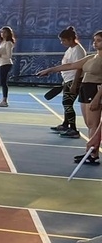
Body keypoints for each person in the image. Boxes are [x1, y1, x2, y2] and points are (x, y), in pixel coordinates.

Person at [37, 29, 102, 165]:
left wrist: (97, 97)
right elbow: (71, 65)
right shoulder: (91, 57)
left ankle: (93, 154)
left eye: (99, 40)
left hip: (95, 91)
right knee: (89, 124)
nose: (95, 43)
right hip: (85, 89)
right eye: (94, 40)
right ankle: (90, 153)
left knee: (94, 124)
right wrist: (50, 70)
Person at [50, 26, 87, 138]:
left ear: (71, 39)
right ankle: (65, 125)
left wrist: (75, 84)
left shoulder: (78, 50)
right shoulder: (70, 49)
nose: (62, 42)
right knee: (67, 104)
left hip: (74, 81)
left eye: (64, 40)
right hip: (67, 80)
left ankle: (74, 130)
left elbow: (79, 68)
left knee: (67, 104)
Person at [0, 26, 16, 107]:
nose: (3, 34)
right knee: (1, 82)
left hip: (6, 64)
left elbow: (9, 56)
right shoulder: (2, 42)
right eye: (2, 32)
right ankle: (3, 99)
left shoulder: (9, 43)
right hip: (0, 64)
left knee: (3, 82)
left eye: (5, 32)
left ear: (9, 33)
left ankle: (5, 101)